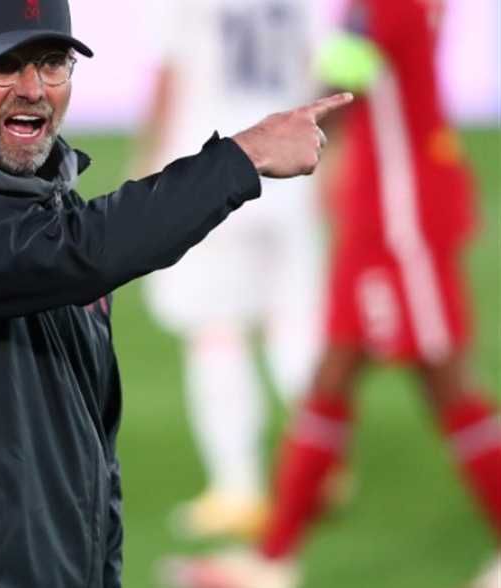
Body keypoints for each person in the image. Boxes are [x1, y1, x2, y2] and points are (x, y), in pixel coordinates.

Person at [0, 0, 351, 585]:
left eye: (52, 63)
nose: (33, 88)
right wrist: (242, 157)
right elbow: (80, 252)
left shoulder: (49, 203)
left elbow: (94, 453)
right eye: (5, 65)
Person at [166, 1, 500, 587]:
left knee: (446, 380)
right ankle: (272, 562)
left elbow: (343, 82)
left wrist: (274, 143)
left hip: (402, 221)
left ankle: (272, 560)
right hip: (379, 213)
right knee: (332, 377)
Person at [132, 0, 327, 540]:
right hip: (292, 164)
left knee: (216, 332)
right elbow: (314, 65)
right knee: (293, 324)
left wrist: (148, 161)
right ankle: (319, 463)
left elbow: (169, 74)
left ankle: (239, 488)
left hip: (214, 163)